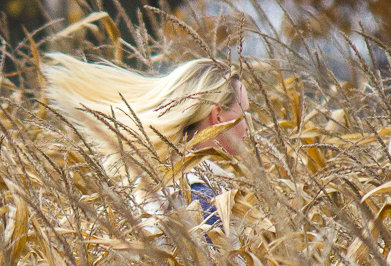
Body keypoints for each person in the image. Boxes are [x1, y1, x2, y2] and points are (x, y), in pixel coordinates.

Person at [42, 53, 249, 228]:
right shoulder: (202, 197)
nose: (249, 126)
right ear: (218, 115)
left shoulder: (157, 184)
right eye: (244, 113)